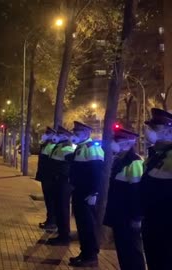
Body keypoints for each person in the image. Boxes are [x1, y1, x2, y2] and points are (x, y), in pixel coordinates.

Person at [103, 127, 145, 270]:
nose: (114, 143)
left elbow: (137, 192)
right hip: (119, 215)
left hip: (129, 217)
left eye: (117, 140)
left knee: (132, 252)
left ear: (128, 142)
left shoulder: (134, 162)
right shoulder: (118, 160)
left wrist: (137, 218)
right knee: (123, 251)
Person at [68, 121, 104, 267]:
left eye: (78, 132)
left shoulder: (92, 148)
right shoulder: (80, 147)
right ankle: (84, 253)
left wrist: (94, 193)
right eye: (75, 132)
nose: (75, 134)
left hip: (87, 193)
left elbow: (97, 173)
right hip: (79, 191)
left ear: (87, 133)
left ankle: (90, 256)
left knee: (88, 225)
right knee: (82, 226)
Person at [141, 108, 172, 270]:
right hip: (151, 223)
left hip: (167, 227)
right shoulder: (154, 156)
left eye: (155, 128)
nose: (149, 131)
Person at [46, 126, 75, 245]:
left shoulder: (67, 146)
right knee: (58, 208)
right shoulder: (59, 146)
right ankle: (61, 234)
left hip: (63, 183)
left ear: (65, 136)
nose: (56, 135)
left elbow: (69, 165)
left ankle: (64, 236)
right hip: (57, 181)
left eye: (59, 134)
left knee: (63, 209)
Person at [35, 127, 57, 231]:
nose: (45, 134)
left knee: (51, 200)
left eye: (48, 133)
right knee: (48, 200)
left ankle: (52, 221)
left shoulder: (52, 146)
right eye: (46, 132)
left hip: (49, 178)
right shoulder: (47, 145)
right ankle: (49, 220)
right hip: (45, 176)